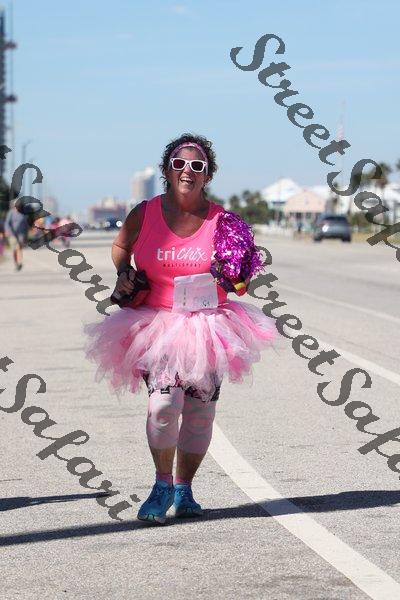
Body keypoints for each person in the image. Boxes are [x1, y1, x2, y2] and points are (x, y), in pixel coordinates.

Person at [85, 133, 277, 525]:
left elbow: (241, 278)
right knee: (163, 407)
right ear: (167, 170)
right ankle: (161, 485)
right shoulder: (145, 213)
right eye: (178, 163)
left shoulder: (224, 221)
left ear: (208, 175)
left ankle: (184, 489)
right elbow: (121, 246)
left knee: (200, 415)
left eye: (196, 165)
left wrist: (235, 277)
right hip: (156, 323)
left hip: (208, 326)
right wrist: (123, 272)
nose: (187, 171)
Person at [4, 202, 30, 271]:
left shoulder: (23, 214)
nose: (17, 208)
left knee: (19, 248)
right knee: (14, 250)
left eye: (18, 207)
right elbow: (7, 223)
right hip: (12, 234)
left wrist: (26, 235)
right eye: (16, 207)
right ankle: (16, 263)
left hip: (21, 235)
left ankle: (20, 263)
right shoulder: (11, 213)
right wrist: (7, 230)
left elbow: (26, 225)